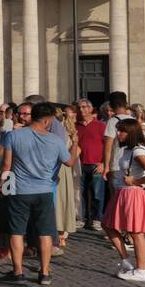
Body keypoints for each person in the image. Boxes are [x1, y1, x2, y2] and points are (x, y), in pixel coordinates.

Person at [0, 101, 76, 286]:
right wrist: (76, 144)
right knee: (45, 231)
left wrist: (2, 185)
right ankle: (45, 272)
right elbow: (69, 163)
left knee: (16, 231)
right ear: (48, 121)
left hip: (19, 190)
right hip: (45, 190)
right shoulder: (56, 140)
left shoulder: (13, 136)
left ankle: (17, 271)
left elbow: (7, 165)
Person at [103, 118, 145, 282]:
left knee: (135, 232)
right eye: (118, 130)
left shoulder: (138, 151)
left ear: (131, 133)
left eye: (122, 131)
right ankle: (126, 261)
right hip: (122, 192)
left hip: (132, 192)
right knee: (108, 225)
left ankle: (142, 269)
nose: (118, 133)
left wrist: (135, 181)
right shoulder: (128, 149)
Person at [76, 98, 107, 230]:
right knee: (80, 194)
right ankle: (82, 218)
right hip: (79, 165)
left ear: (90, 109)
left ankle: (96, 219)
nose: (81, 110)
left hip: (96, 164)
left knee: (97, 193)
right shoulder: (75, 126)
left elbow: (107, 146)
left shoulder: (100, 126)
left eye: (84, 107)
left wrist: (104, 163)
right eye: (79, 107)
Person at [55, 105, 80, 252]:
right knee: (62, 199)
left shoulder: (58, 132)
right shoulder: (69, 130)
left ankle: (59, 233)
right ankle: (61, 234)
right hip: (65, 167)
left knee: (58, 199)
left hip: (59, 166)